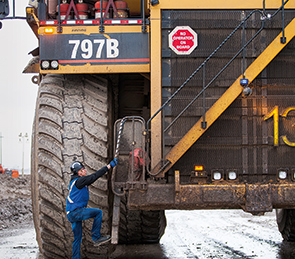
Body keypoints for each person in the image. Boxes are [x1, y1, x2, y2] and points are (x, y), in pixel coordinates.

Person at [66, 159, 117, 259]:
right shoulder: (80, 181)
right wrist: (108, 167)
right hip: (76, 212)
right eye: (83, 169)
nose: (85, 171)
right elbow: (95, 176)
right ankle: (96, 237)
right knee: (98, 213)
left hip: (71, 213)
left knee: (77, 238)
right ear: (79, 172)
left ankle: (75, 258)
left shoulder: (76, 182)